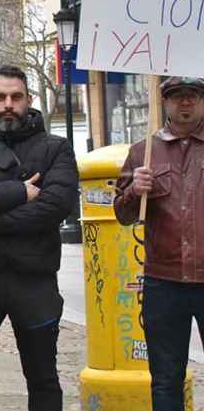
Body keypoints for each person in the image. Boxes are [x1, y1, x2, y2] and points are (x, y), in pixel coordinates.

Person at [0, 65, 78, 411]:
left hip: (35, 280)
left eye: (16, 97)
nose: (8, 104)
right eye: (0, 97)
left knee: (43, 379)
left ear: (29, 99)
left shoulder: (56, 148)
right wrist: (19, 193)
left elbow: (56, 205)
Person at [114, 76, 204, 411]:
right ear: (164, 101)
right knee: (165, 379)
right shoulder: (143, 152)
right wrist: (133, 191)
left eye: (193, 95)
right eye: (177, 95)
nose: (185, 102)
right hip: (163, 283)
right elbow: (122, 215)